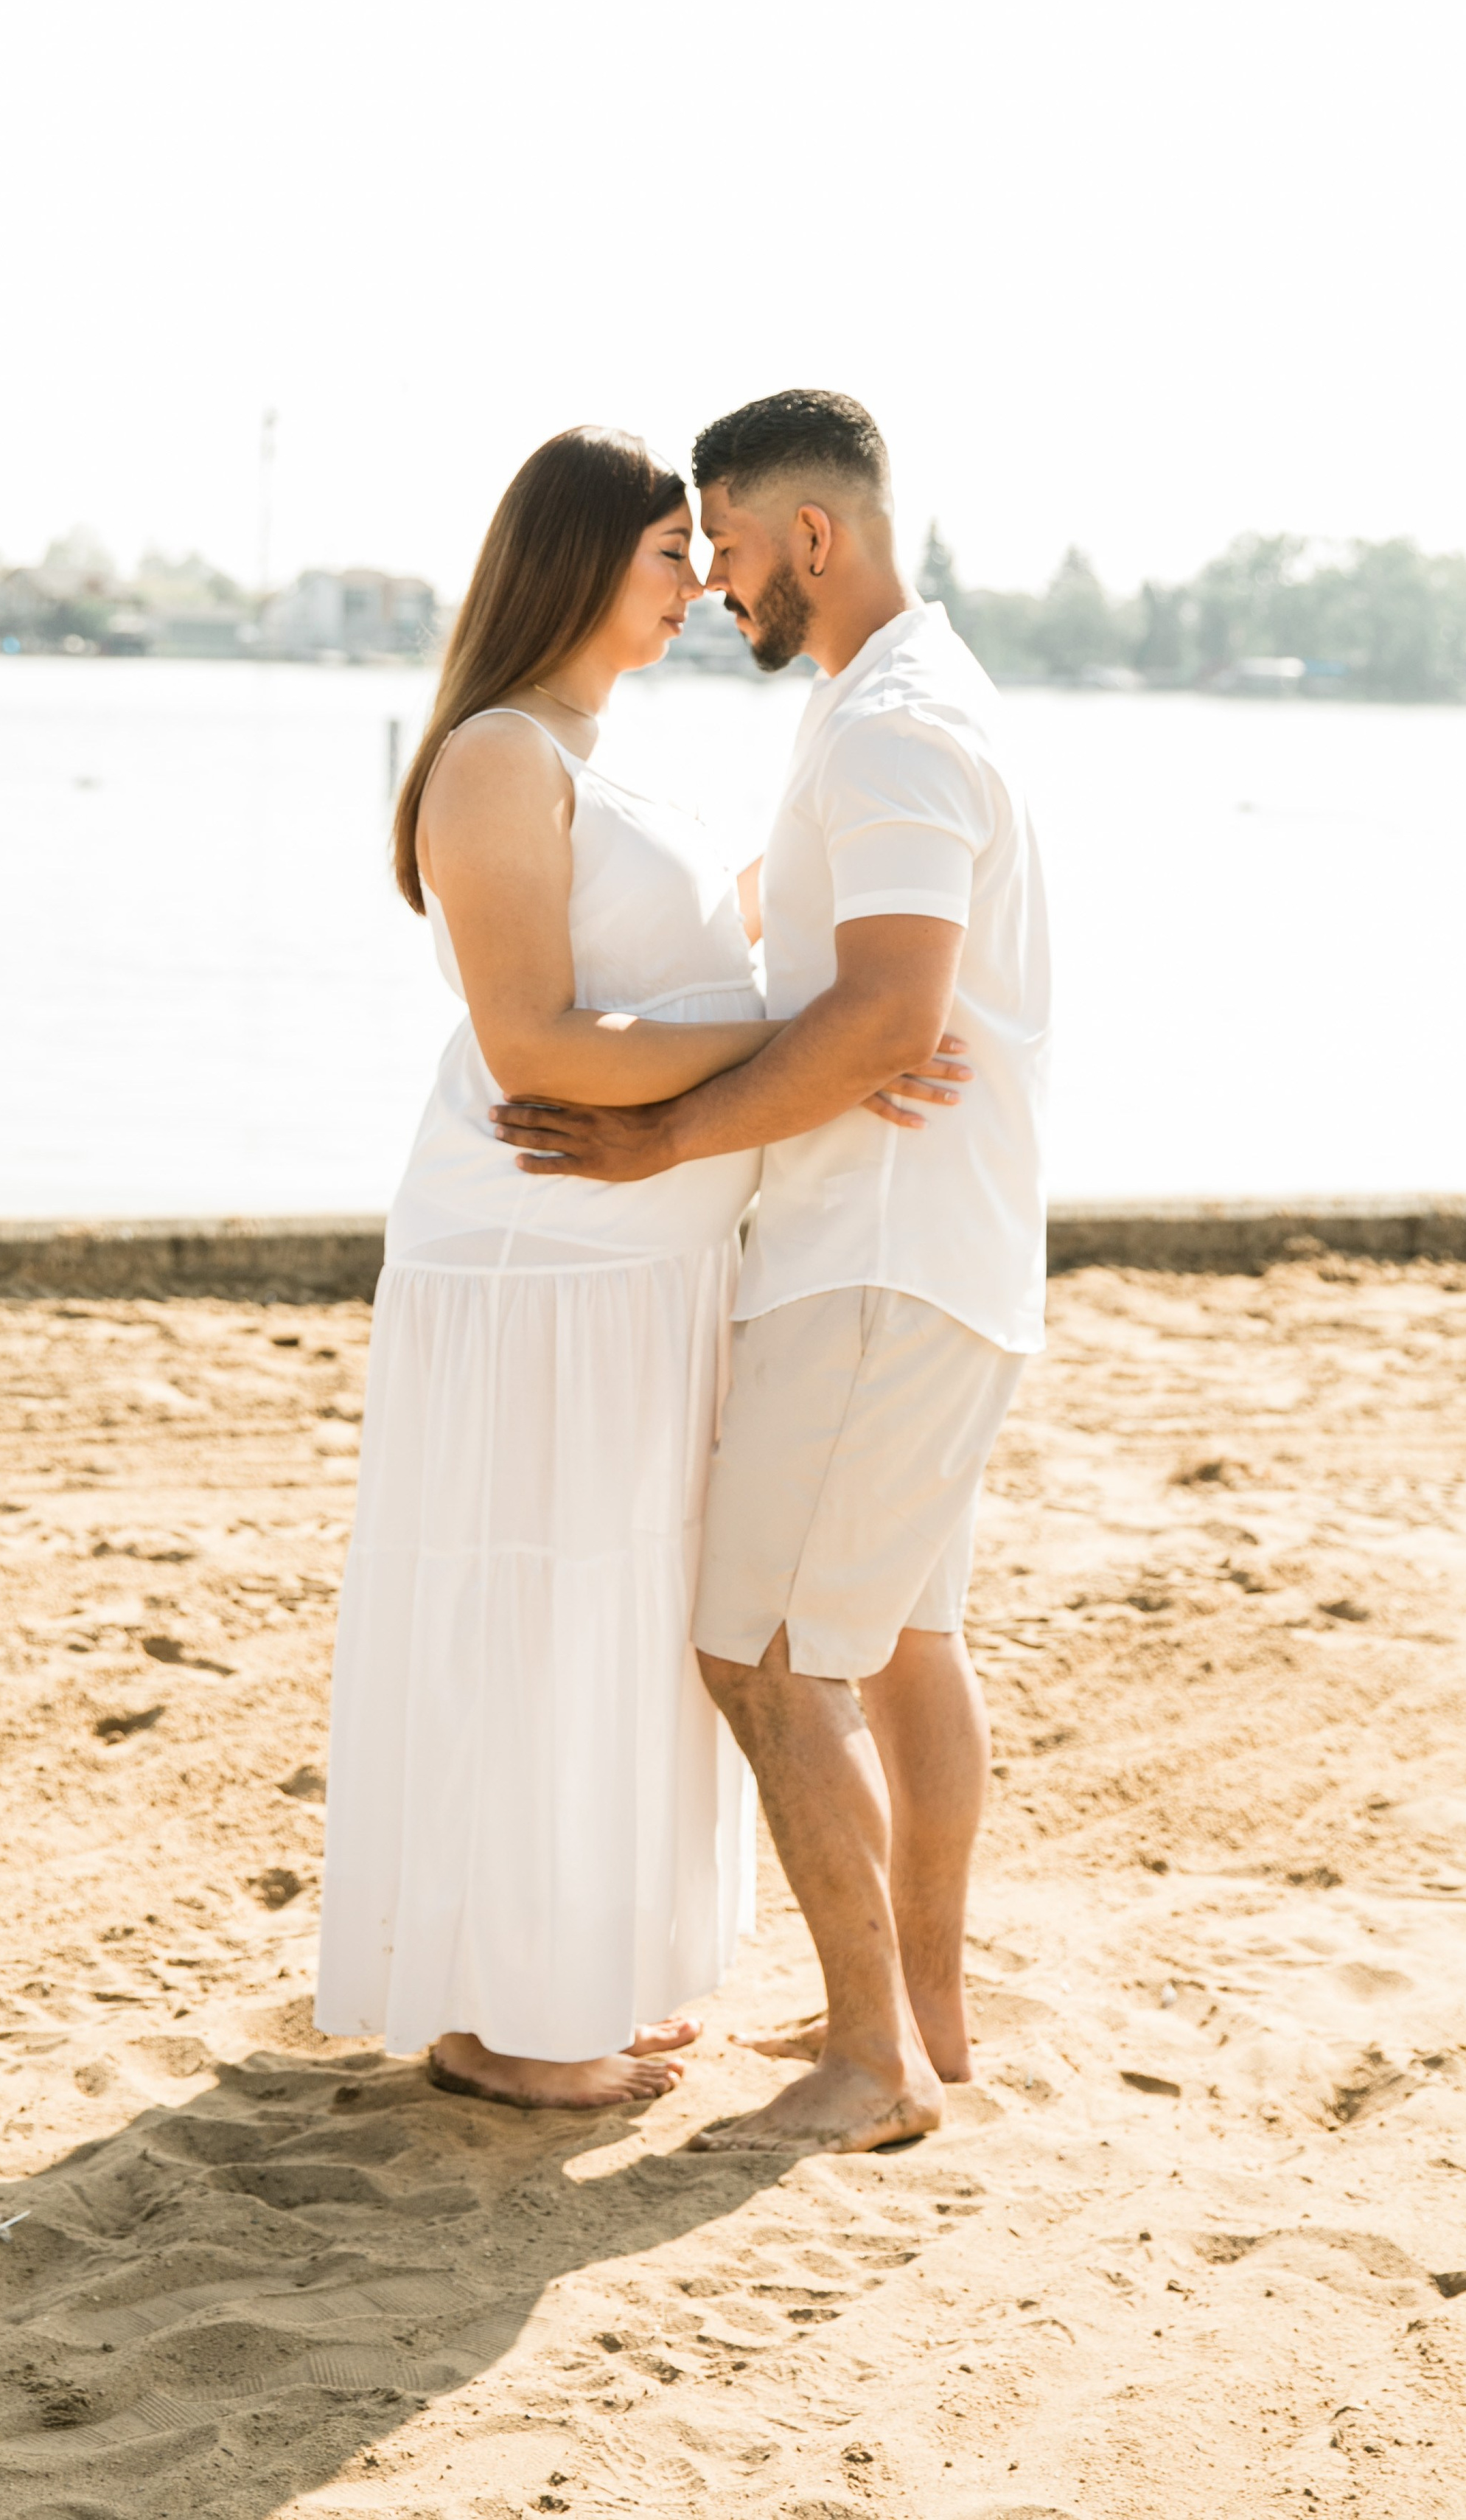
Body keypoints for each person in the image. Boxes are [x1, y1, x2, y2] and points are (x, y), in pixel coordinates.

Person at [314, 425, 965, 2112]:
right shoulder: (492, 757)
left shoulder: (594, 756)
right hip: (543, 1264)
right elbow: (533, 1045)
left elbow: (705, 951)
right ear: (578, 559)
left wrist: (860, 1010)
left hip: (642, 1268)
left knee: (610, 1626)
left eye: (700, 552)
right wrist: (818, 1043)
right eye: (671, 552)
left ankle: (559, 1983)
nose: (700, 582)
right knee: (544, 1619)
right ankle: (520, 2025)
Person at [493, 390, 1051, 2154]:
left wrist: (660, 1138)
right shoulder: (904, 702)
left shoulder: (888, 726)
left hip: (868, 1264)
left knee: (758, 1657)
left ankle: (871, 2065)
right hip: (942, 1250)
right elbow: (839, 970)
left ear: (812, 534)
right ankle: (921, 2014)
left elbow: (887, 1012)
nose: (717, 583)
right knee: (901, 1638)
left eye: (726, 545)